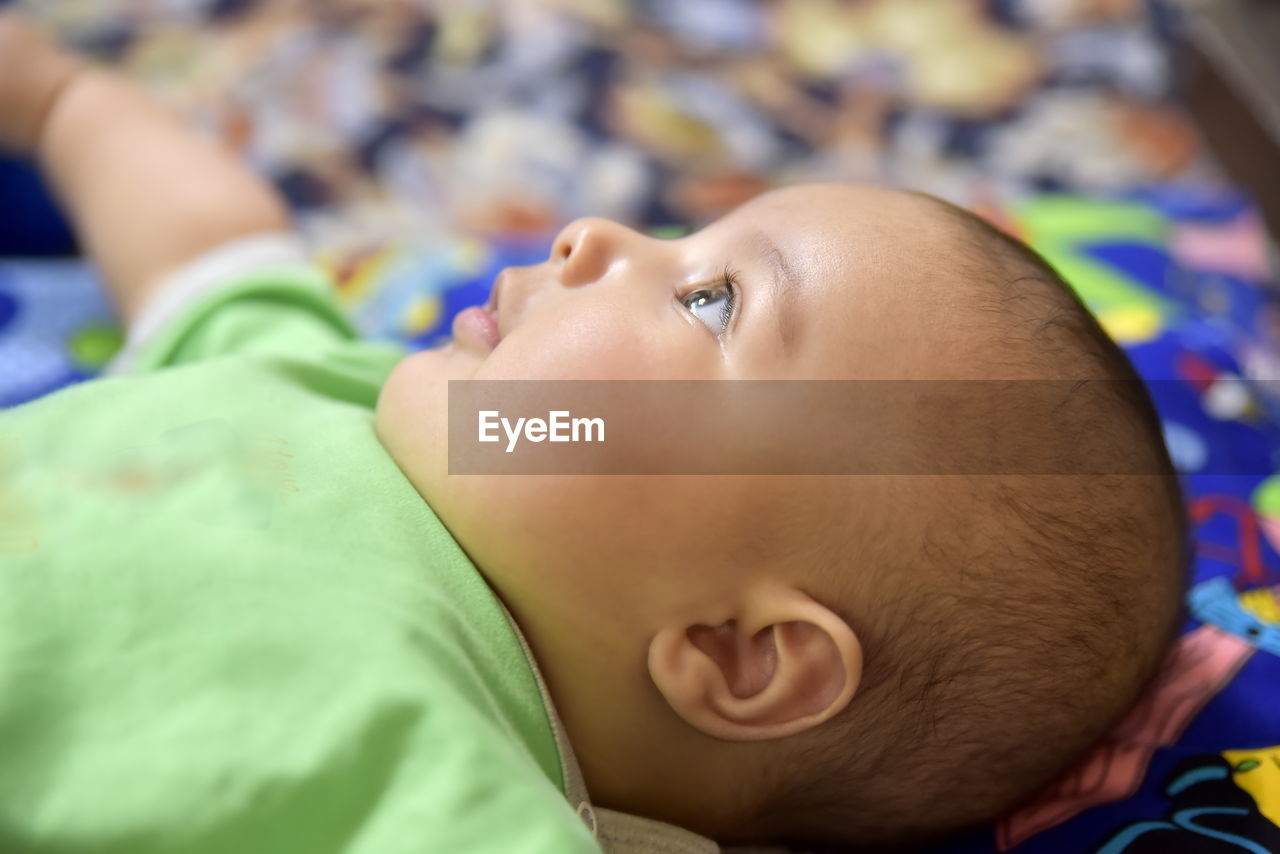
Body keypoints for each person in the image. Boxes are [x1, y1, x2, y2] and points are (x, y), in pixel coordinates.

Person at [0, 11, 1187, 852]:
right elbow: (210, 256)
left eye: (709, 301)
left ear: (735, 652)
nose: (590, 233)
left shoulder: (440, 772)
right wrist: (60, 96)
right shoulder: (367, 398)